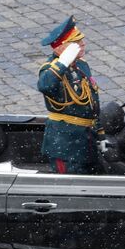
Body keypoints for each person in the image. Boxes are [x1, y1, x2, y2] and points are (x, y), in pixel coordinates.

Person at [37, 15, 100, 174]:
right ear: (61, 48)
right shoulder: (51, 70)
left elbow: (91, 99)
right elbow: (45, 86)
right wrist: (62, 63)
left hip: (85, 140)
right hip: (65, 145)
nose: (82, 44)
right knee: (70, 187)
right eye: (76, 42)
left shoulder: (81, 65)